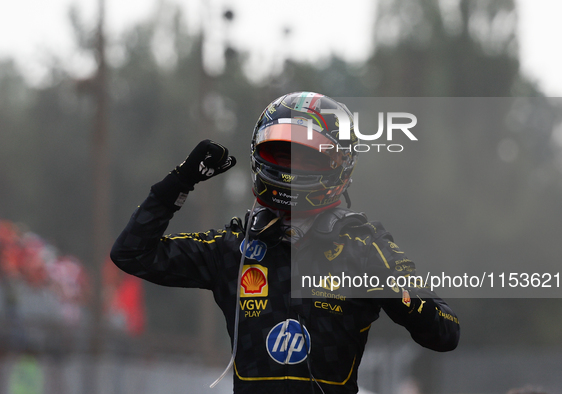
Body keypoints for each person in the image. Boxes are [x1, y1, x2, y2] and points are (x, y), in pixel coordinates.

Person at [110, 92, 460, 394]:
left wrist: (395, 288)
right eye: (282, 152)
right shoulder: (234, 248)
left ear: (340, 164)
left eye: (308, 156)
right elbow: (132, 252)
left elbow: (446, 332)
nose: (293, 166)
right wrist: (180, 181)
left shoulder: (365, 249)